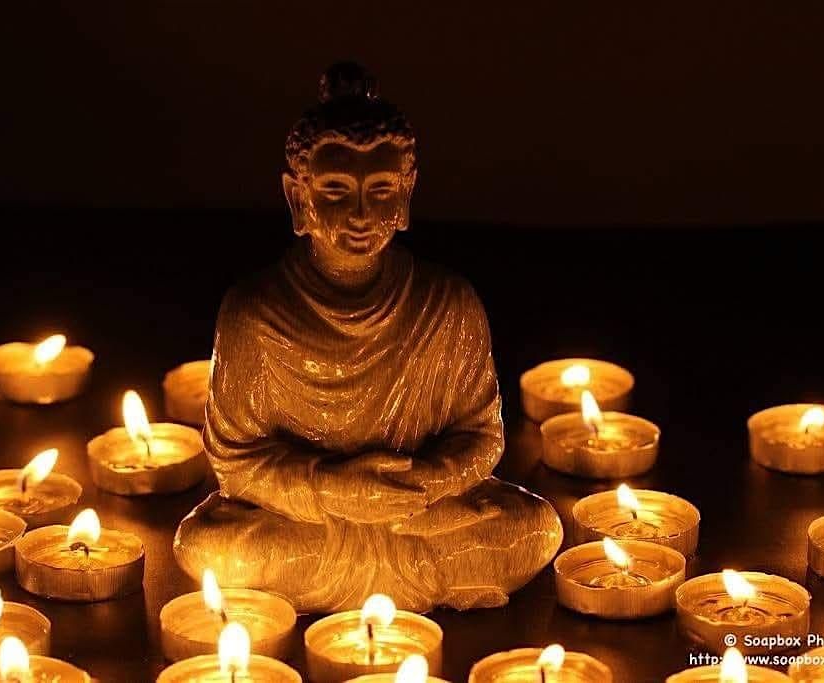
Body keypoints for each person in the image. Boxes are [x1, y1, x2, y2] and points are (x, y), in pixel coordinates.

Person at [174, 63, 561, 612]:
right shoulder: (253, 312)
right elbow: (236, 462)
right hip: (313, 522)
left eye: (380, 189)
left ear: (406, 194)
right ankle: (417, 578)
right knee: (209, 545)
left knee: (535, 528)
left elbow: (482, 437)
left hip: (417, 515)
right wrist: (333, 490)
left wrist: (427, 483)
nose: (360, 214)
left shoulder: (447, 303)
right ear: (297, 196)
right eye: (336, 189)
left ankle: (361, 573)